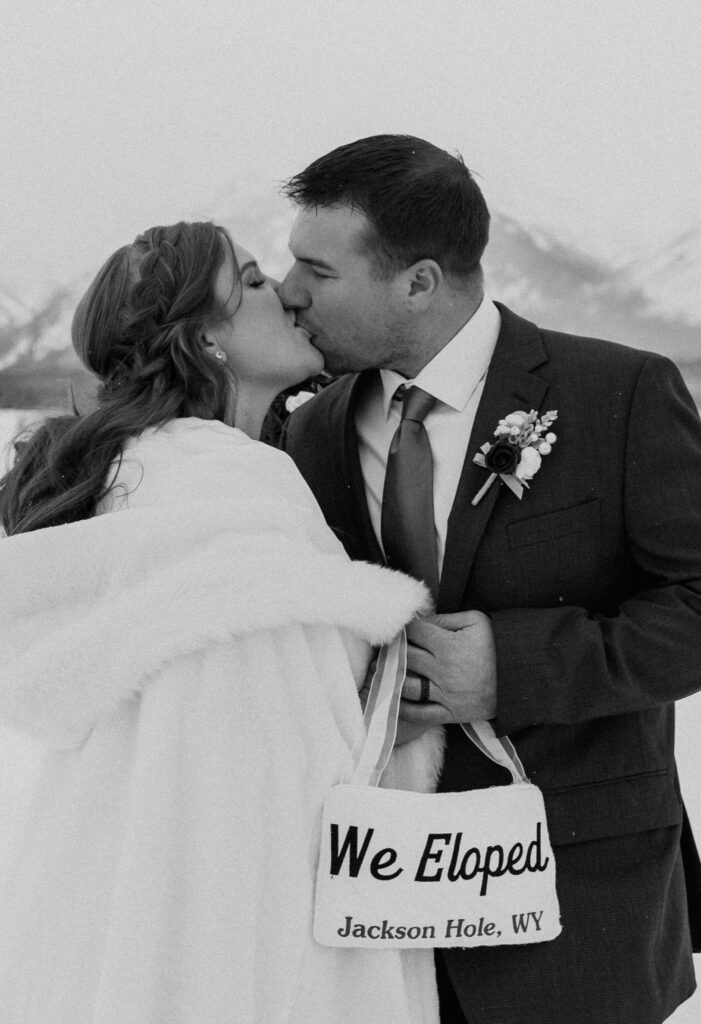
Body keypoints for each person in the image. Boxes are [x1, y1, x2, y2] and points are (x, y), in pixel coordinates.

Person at [278, 134, 701, 1024]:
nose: (290, 293)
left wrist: (514, 668)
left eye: (318, 270)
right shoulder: (310, 433)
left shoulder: (616, 393)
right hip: (373, 905)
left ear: (419, 282)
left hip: (575, 901)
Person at [0, 220, 442, 1024]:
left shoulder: (143, 486)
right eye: (253, 282)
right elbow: (239, 809)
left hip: (103, 932)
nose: (288, 292)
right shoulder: (223, 498)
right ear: (208, 339)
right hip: (236, 962)